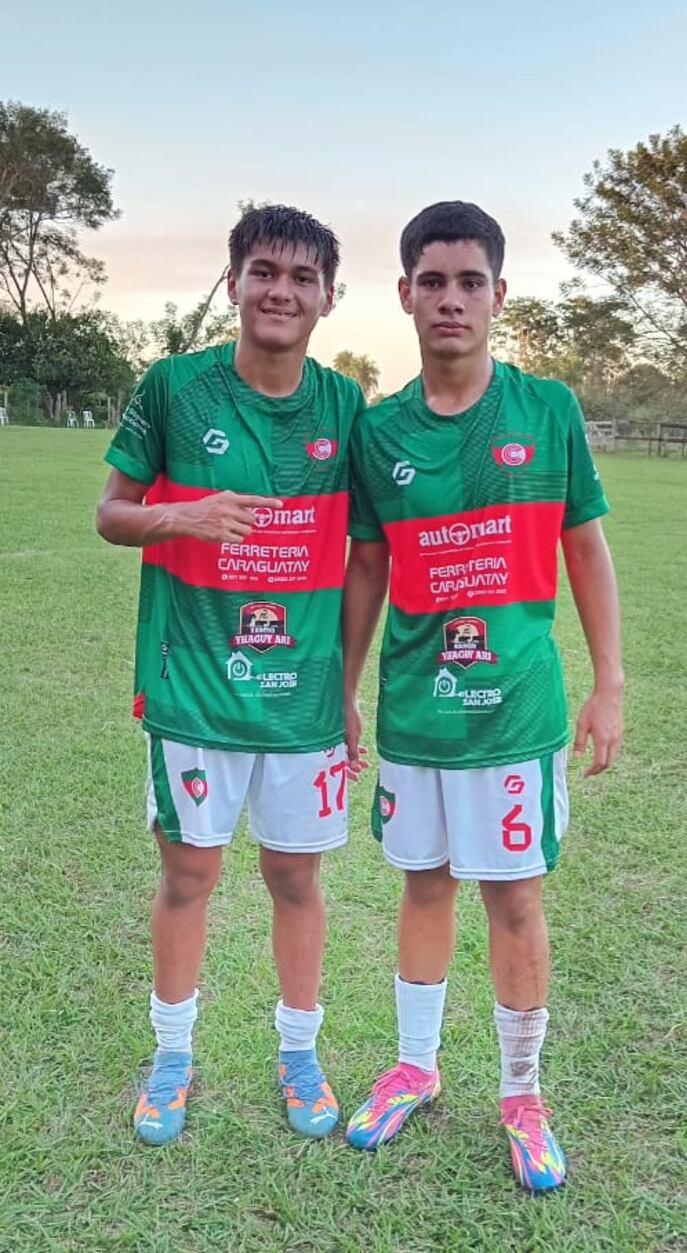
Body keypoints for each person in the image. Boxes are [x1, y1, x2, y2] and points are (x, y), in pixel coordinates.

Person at [342, 201, 624, 1192]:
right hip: (418, 712)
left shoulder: (545, 410)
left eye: (469, 282)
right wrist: (341, 690)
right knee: (422, 886)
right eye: (433, 281)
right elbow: (366, 570)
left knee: (512, 897)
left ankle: (520, 1092)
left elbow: (583, 547)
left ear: (498, 295)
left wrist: (608, 684)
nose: (450, 299)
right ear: (405, 296)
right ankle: (415, 1068)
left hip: (516, 713)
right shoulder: (378, 431)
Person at [96, 204, 364, 1145]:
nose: (279, 290)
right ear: (236, 280)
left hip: (301, 702)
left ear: (328, 297)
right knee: (189, 875)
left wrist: (350, 689)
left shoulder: (346, 408)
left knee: (297, 878)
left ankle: (299, 1054)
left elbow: (368, 554)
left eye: (300, 277)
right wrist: (184, 515)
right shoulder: (174, 387)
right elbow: (110, 512)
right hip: (194, 688)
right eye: (263, 271)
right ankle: (172, 1056)